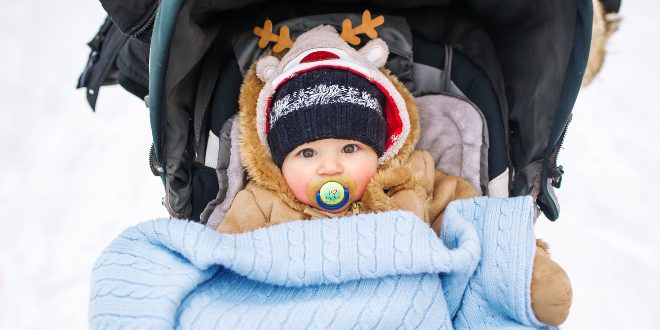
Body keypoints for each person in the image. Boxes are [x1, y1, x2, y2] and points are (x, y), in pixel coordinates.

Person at [217, 25, 571, 327]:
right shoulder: (261, 203)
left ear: (380, 148)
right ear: (278, 163)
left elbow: (478, 225)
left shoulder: (414, 180)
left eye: (350, 149)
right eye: (307, 153)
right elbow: (224, 267)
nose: (329, 167)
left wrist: (520, 267)